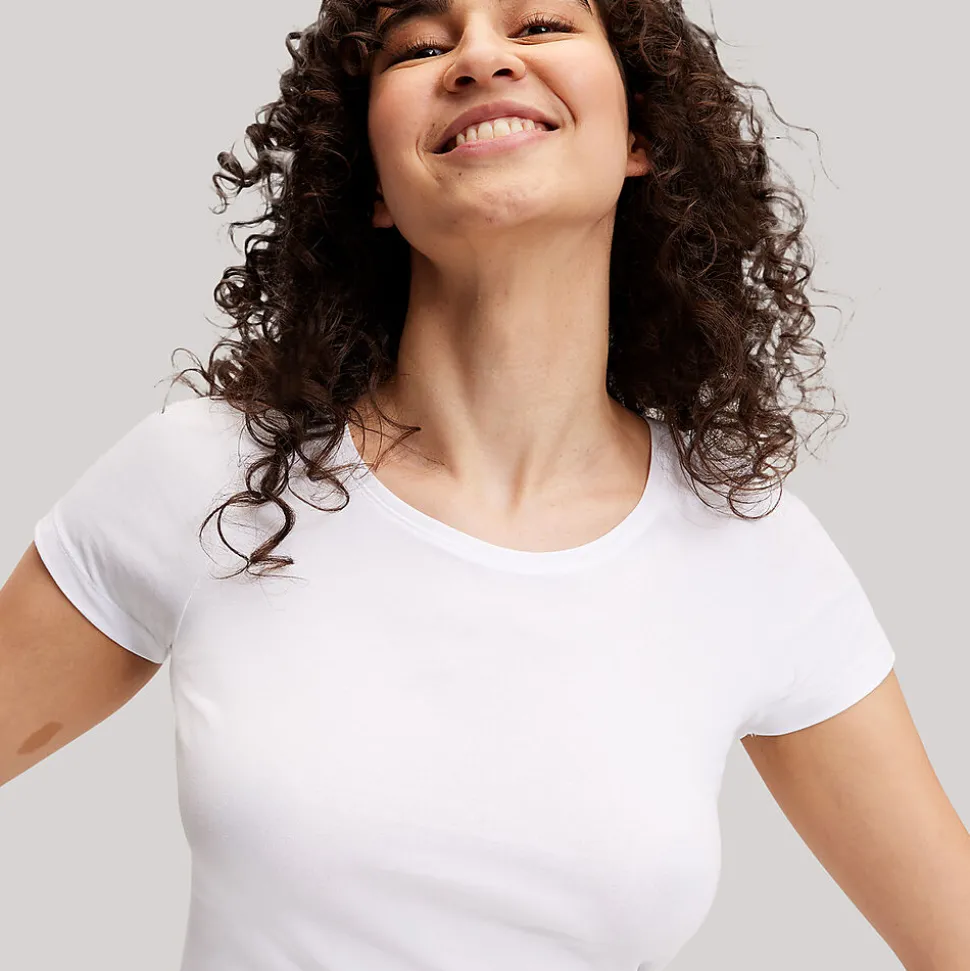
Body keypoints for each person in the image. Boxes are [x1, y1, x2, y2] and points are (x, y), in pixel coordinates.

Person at [2, 0, 968, 968]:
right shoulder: (214, 478)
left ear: (640, 137)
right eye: (421, 46)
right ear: (373, 185)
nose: (480, 59)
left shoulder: (753, 550)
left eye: (540, 24)